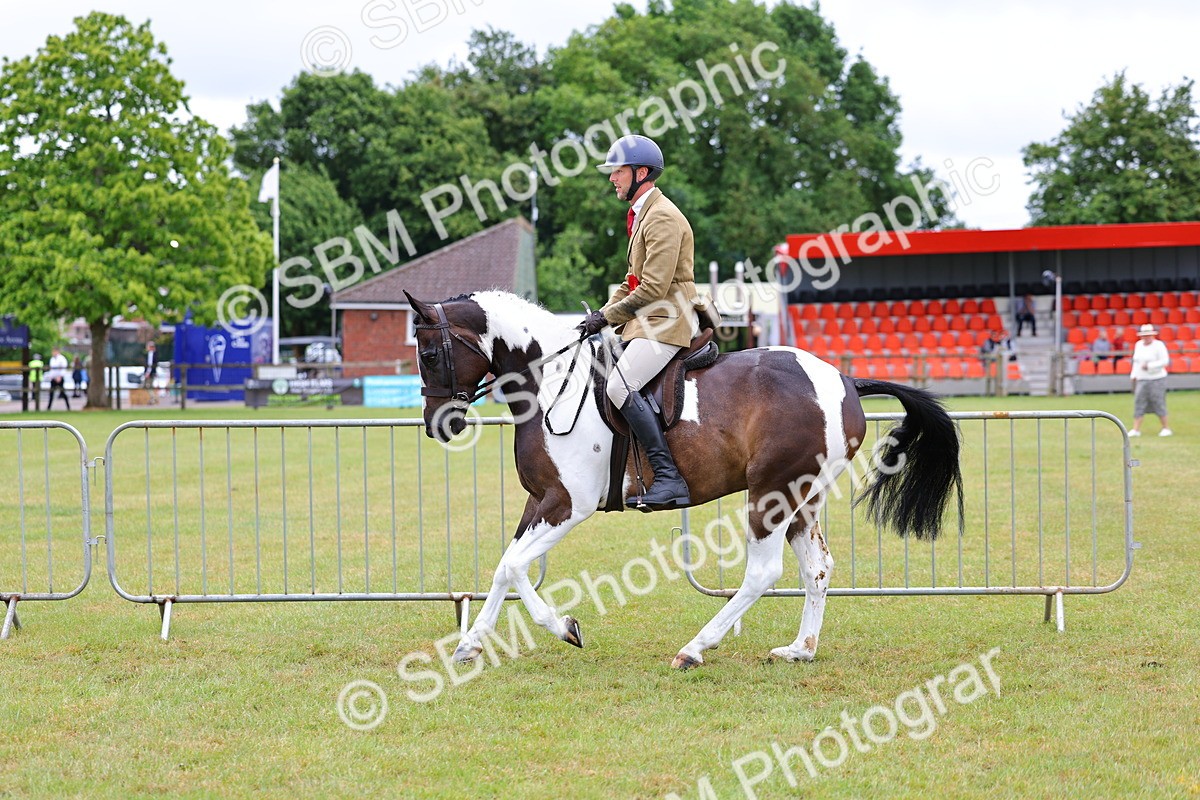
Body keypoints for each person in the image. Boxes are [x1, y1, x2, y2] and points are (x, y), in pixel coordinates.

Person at [577, 134, 700, 511]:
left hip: (667, 321)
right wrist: (597, 317)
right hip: (647, 322)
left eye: (618, 171)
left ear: (641, 172)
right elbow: (631, 282)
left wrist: (607, 317)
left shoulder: (661, 216)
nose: (612, 178)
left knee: (619, 385)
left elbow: (652, 288)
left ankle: (667, 477)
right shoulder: (643, 215)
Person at [1129, 323, 1171, 437]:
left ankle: (1166, 428)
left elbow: (1165, 361)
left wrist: (1150, 366)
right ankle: (1136, 429)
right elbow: (1136, 362)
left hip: (1157, 378)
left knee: (1158, 402)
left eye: (1148, 335)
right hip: (1142, 379)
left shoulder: (1159, 345)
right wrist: (1133, 375)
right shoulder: (1138, 345)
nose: (1146, 338)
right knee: (1139, 402)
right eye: (1144, 335)